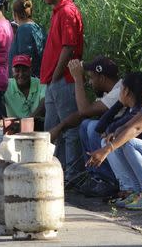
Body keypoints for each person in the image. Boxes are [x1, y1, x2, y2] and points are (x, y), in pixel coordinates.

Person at [87, 71, 142, 210]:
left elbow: (136, 129)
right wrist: (116, 134)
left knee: (129, 141)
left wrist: (106, 149)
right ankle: (138, 193)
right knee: (122, 139)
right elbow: (129, 125)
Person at [50, 56, 122, 195]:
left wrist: (77, 79)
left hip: (122, 140)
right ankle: (96, 177)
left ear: (101, 78)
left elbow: (84, 110)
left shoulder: (119, 91)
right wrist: (59, 128)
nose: (89, 82)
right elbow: (82, 114)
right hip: (113, 140)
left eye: (91, 77)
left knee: (92, 127)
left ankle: (107, 180)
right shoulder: (108, 92)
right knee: (85, 124)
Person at [38, 0, 84, 183]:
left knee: (69, 128)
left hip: (63, 79)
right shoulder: (58, 10)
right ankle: (56, 175)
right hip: (53, 81)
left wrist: (56, 74)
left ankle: (72, 176)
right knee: (52, 130)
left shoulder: (67, 11)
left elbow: (69, 47)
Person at [8, 0, 46, 78]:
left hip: (27, 81)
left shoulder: (24, 29)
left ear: (15, 14)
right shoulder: (38, 28)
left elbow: (25, 58)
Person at [3, 55, 45, 120]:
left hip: (38, 125)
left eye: (24, 70)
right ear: (12, 71)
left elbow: (44, 103)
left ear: (31, 70)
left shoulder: (41, 84)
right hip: (13, 126)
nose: (21, 74)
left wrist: (27, 122)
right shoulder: (5, 85)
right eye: (17, 71)